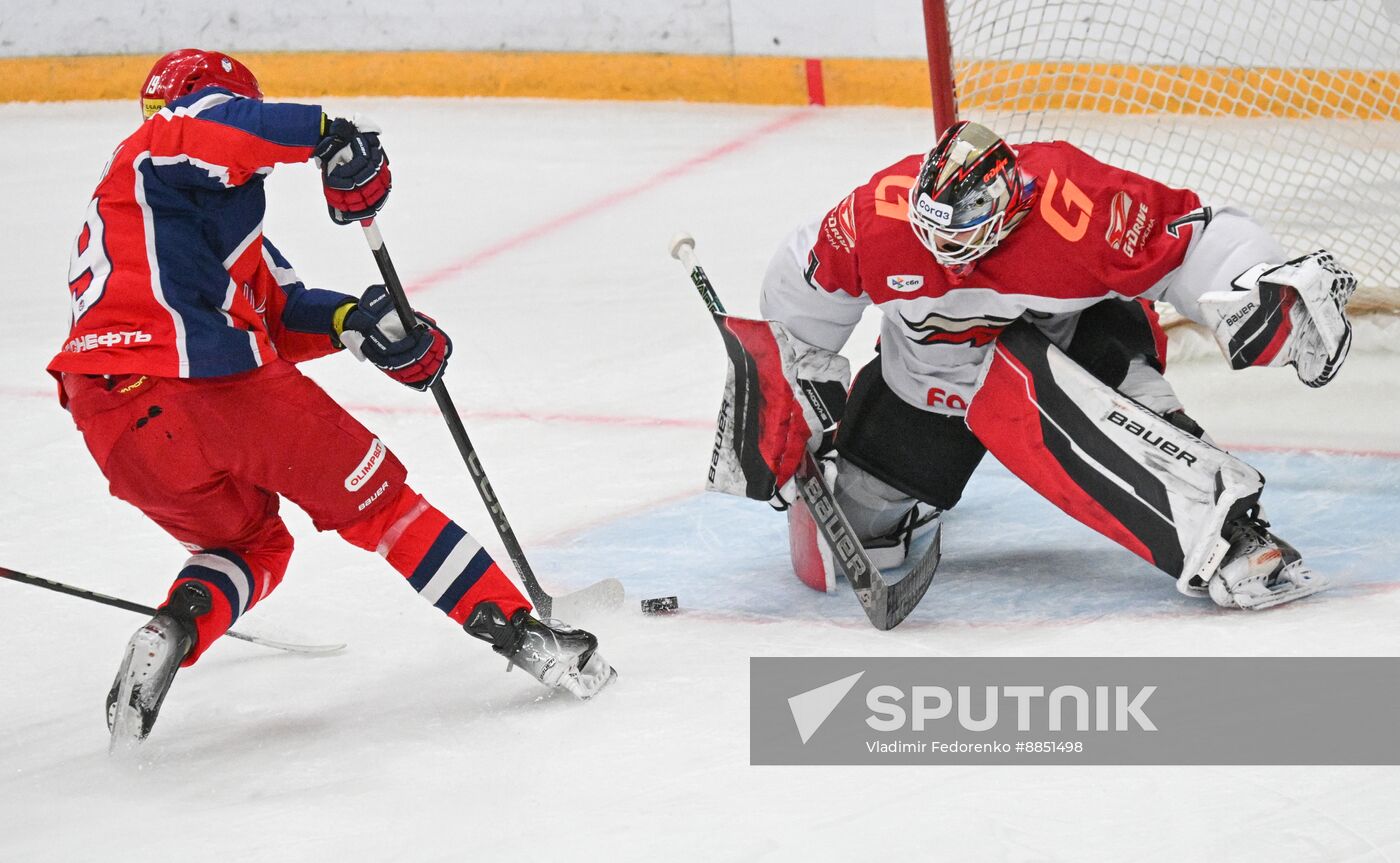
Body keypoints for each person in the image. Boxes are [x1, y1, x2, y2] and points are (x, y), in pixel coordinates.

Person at [50, 49, 616, 748]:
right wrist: (326, 131)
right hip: (204, 383)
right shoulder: (167, 139)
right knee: (384, 505)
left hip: (109, 417)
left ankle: (174, 627)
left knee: (250, 542)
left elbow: (281, 310)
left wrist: (358, 322)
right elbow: (222, 125)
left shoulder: (172, 224)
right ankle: (527, 636)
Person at [705, 120, 1357, 612]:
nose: (947, 259)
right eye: (935, 236)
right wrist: (793, 397)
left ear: (1008, 205)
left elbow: (1191, 238)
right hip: (933, 381)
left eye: (962, 239)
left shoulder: (1080, 208)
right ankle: (901, 495)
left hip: (1071, 360)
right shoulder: (877, 219)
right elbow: (800, 292)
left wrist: (1258, 284)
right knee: (849, 536)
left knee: (1095, 414)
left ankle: (1229, 530)